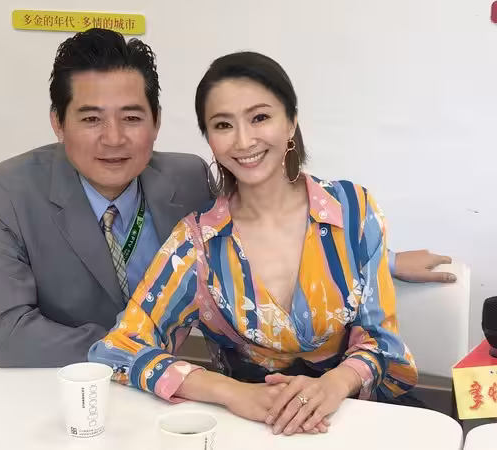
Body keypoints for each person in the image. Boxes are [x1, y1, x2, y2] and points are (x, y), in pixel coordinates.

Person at [0, 28, 453, 369]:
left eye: (132, 118)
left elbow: (261, 228)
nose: (114, 138)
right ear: (58, 123)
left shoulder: (185, 177)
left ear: (157, 122)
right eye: (91, 118)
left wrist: (382, 257)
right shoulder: (7, 193)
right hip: (73, 383)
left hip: (183, 393)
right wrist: (136, 350)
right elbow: (9, 337)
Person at [88, 51, 418, 436]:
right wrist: (229, 392)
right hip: (254, 430)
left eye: (259, 117)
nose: (244, 141)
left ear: (291, 121)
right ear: (210, 139)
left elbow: (381, 339)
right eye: (223, 124)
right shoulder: (198, 244)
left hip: (354, 421)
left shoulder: (353, 209)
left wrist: (335, 384)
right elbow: (116, 350)